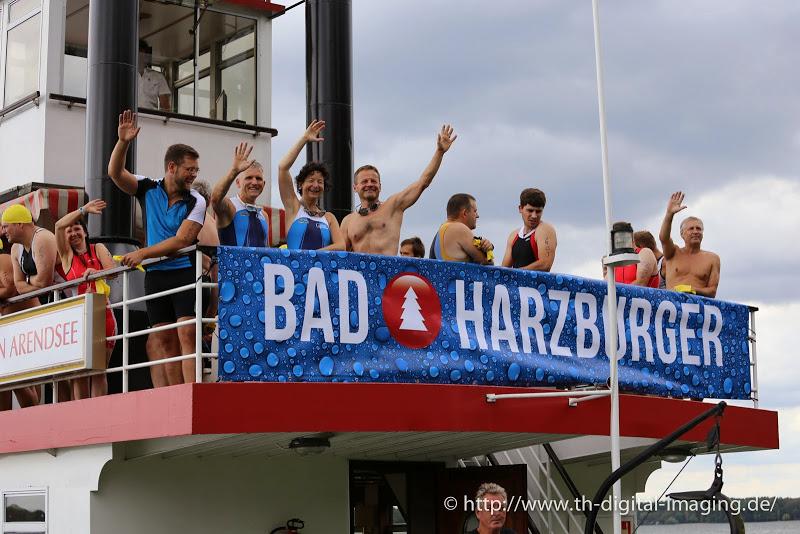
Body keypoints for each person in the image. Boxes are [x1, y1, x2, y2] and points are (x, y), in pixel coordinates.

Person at [108, 110, 206, 386]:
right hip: (155, 276)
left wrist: (142, 253)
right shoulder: (148, 187)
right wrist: (123, 142)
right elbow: (115, 173)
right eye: (189, 169)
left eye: (196, 170)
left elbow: (182, 240)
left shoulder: (197, 201)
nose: (193, 175)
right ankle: (176, 394)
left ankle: (192, 390)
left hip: (184, 271)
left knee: (187, 333)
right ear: (172, 167)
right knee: (164, 338)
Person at [341, 124, 458, 255]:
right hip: (360, 269)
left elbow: (422, 183)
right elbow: (340, 255)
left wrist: (439, 152)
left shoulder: (393, 205)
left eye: (373, 181)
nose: (369, 184)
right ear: (355, 187)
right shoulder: (348, 221)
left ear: (380, 186)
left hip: (388, 268)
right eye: (364, 181)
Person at [54, 199, 117, 399]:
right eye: (69, 231)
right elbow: (58, 225)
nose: (73, 233)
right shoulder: (66, 256)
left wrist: (96, 273)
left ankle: (98, 412)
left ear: (85, 232)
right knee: (79, 373)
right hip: (78, 317)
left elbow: (114, 272)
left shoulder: (97, 248)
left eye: (77, 229)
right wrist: (83, 210)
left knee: (99, 371)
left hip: (103, 314)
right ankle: (80, 413)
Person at [277, 121, 344, 251]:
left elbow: (341, 246)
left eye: (320, 182)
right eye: (311, 180)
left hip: (320, 265)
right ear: (301, 184)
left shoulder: (329, 217)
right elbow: (283, 167)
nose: (315, 185)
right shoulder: (293, 207)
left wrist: (313, 255)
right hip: (295, 265)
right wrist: (304, 139)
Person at [0, 225, 40, 410]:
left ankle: (31, 414)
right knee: (11, 377)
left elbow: (9, 288)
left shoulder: (2, 259)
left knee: (18, 377)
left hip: (23, 323)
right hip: (14, 325)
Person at [659, 191, 720, 297]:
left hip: (697, 305)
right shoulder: (673, 253)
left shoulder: (712, 259)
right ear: (682, 234)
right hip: (672, 304)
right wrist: (669, 214)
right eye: (691, 229)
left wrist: (691, 290)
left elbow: (712, 291)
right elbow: (664, 238)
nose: (695, 231)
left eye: (698, 229)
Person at [211, 142, 269, 248]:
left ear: (264, 184)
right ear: (238, 183)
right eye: (249, 178)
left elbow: (266, 249)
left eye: (258, 178)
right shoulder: (230, 207)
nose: (254, 182)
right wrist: (234, 171)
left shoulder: (264, 215)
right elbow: (215, 198)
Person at [500, 188, 557, 271]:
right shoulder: (514, 235)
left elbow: (545, 264)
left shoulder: (545, 230)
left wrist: (516, 273)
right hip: (518, 279)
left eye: (538, 211)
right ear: (520, 208)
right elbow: (504, 269)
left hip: (532, 280)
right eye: (530, 210)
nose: (534, 216)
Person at [429, 194, 493, 264]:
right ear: (465, 213)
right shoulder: (459, 229)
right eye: (475, 211)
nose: (477, 215)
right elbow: (487, 264)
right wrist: (488, 250)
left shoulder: (442, 231)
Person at [605, 223, 658, 288]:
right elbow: (605, 287)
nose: (620, 241)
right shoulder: (615, 262)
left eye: (623, 237)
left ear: (631, 237)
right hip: (618, 294)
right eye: (616, 238)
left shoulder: (645, 253)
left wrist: (614, 292)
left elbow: (640, 284)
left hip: (640, 294)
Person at [138, 39, 171, 111]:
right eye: (138, 53)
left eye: (143, 54)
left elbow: (165, 105)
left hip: (151, 116)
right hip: (129, 115)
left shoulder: (158, 77)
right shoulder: (125, 75)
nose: (140, 57)